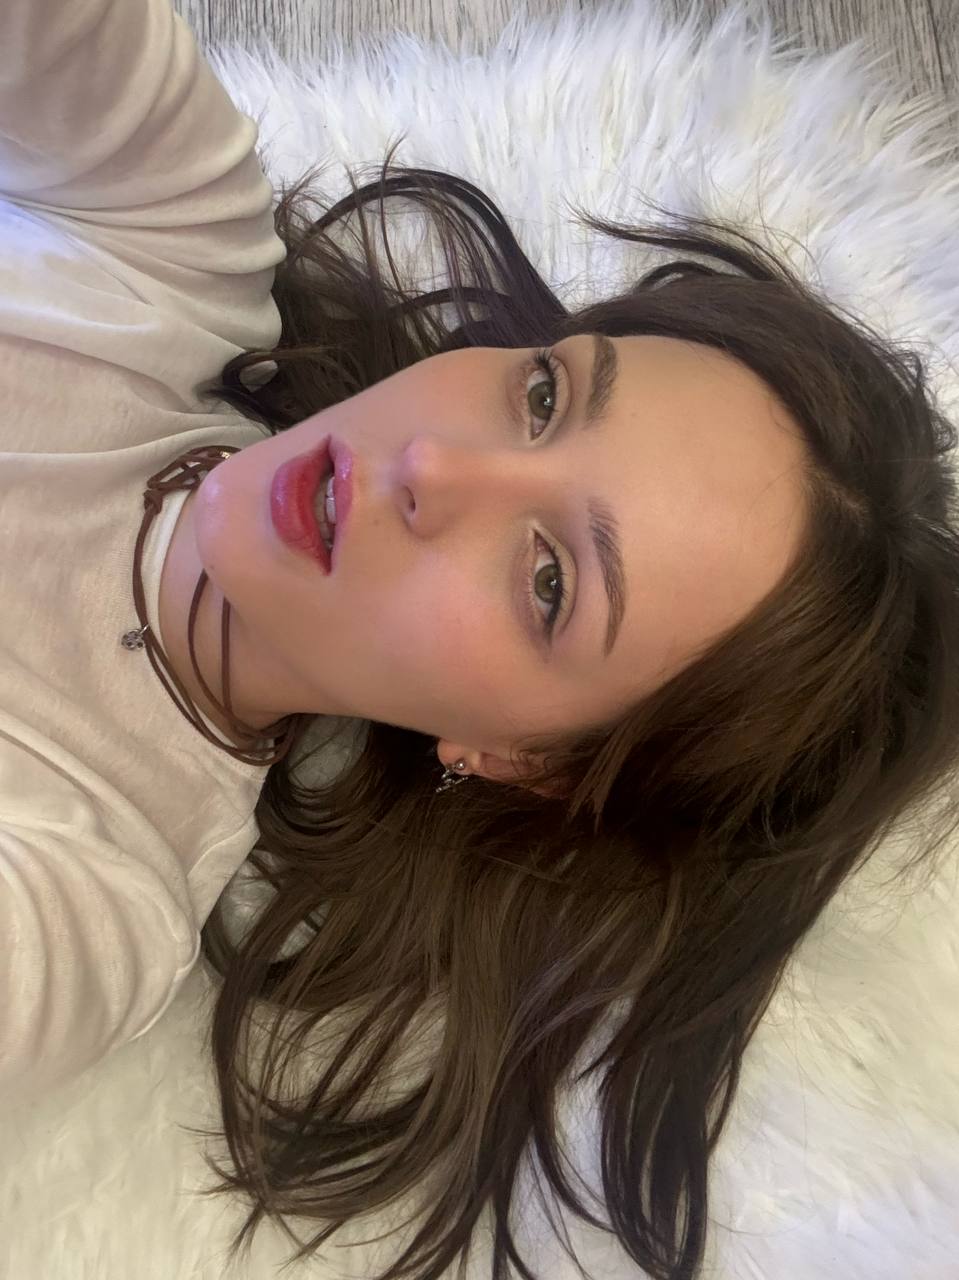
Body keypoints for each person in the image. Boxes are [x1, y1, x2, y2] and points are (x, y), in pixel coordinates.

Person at [2, 2, 959, 1279]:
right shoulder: (172, 247)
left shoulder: (91, 894)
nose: (435, 465)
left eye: (550, 580)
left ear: (523, 757)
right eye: (543, 394)